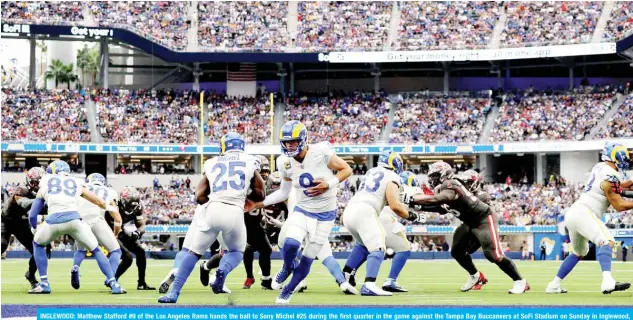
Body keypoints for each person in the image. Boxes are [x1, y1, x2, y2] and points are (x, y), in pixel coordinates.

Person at [244, 120, 353, 304]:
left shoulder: (321, 151)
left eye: (293, 141)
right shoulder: (284, 161)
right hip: (303, 210)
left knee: (308, 258)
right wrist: (258, 204)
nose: (289, 145)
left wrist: (329, 184)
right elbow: (284, 192)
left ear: (303, 139)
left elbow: (346, 169)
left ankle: (287, 290)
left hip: (326, 215)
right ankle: (287, 267)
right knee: (290, 244)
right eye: (286, 142)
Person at [158, 132, 265, 303]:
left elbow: (199, 196)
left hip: (212, 209)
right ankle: (221, 271)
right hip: (235, 211)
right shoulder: (251, 161)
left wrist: (215, 201)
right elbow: (261, 194)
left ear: (223, 146)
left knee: (193, 253)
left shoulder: (211, 162)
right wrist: (245, 197)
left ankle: (173, 293)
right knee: (236, 252)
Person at [404, 161, 528, 294]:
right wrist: (417, 206)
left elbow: (440, 199)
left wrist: (413, 199)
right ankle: (476, 276)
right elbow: (442, 208)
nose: (431, 180)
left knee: (493, 255)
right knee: (456, 252)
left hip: (483, 220)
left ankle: (520, 281)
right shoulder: (442, 189)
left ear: (444, 174)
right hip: (468, 223)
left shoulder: (451, 184)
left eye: (434, 176)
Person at [546, 142, 632, 294]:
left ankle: (553, 285)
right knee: (607, 241)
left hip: (574, 213)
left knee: (580, 252)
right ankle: (607, 282)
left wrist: (630, 183)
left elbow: (618, 186)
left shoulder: (600, 167)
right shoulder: (610, 176)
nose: (625, 159)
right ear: (615, 157)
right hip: (585, 212)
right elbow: (620, 205)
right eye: (623, 156)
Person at [28, 160, 125, 294]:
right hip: (75, 221)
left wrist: (34, 228)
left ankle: (44, 283)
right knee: (96, 250)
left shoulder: (45, 182)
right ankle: (114, 284)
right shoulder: (76, 181)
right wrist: (109, 207)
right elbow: (99, 201)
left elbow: (32, 215)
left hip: (53, 221)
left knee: (38, 244)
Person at [1, 167, 50, 288]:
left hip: (21, 224)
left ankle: (31, 275)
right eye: (35, 182)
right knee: (2, 245)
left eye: (40, 182)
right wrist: (46, 203)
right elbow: (25, 203)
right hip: (7, 221)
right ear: (29, 181)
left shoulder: (42, 193)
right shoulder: (21, 189)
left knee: (38, 251)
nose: (38, 185)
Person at [71, 173, 122, 290]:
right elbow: (117, 218)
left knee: (80, 250)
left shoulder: (81, 187)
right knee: (116, 251)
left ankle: (75, 267)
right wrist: (115, 233)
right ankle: (111, 278)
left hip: (79, 221)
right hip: (97, 220)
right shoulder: (109, 191)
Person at [106, 186, 155, 290]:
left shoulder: (138, 207)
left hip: (120, 230)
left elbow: (141, 225)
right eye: (129, 205)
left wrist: (138, 232)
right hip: (107, 231)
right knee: (128, 258)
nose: (131, 209)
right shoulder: (113, 203)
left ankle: (141, 283)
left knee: (140, 251)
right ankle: (112, 280)